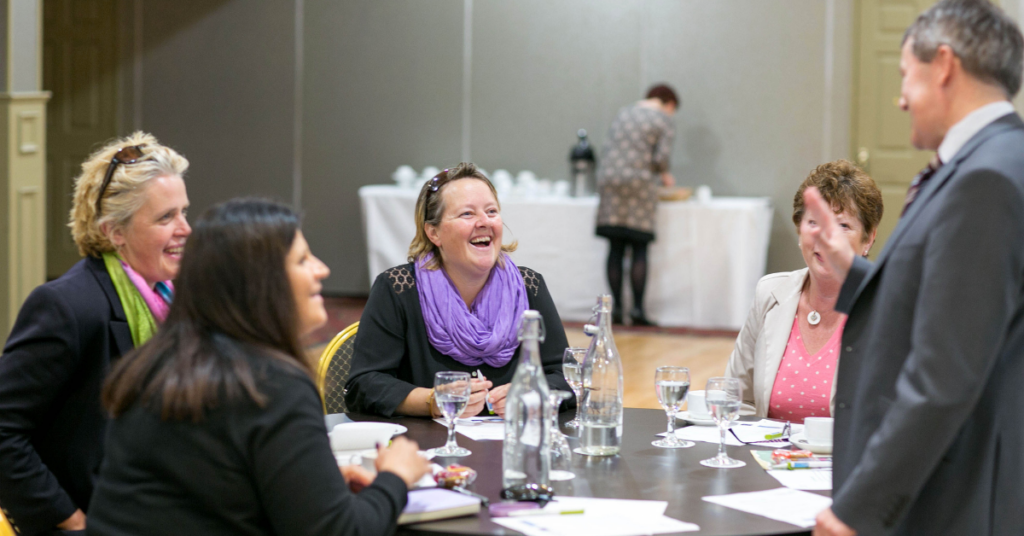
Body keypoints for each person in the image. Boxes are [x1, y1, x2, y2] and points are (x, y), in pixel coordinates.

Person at [85, 199, 430, 536]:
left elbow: (206, 492)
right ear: (260, 283)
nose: (322, 269)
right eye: (303, 259)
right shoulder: (271, 385)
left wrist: (306, 485)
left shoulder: (155, 365)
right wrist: (395, 478)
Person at [808, 2, 1024, 535]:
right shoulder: (990, 162)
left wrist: (857, 510)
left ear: (944, 65)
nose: (900, 99)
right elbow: (954, 311)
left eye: (906, 75)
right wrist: (852, 273)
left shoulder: (985, 179)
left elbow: (944, 377)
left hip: (951, 498)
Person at [0, 132, 190, 535]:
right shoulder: (67, 306)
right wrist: (70, 522)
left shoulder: (177, 300)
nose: (186, 229)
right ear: (114, 232)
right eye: (166, 218)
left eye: (185, 212)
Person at [345, 163, 571, 418]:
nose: (484, 222)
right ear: (434, 232)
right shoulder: (398, 288)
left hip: (512, 447)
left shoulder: (529, 287)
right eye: (467, 214)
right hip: (429, 449)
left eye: (491, 211)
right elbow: (363, 385)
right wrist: (433, 401)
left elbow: (565, 377)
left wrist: (534, 394)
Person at [726, 160, 881, 423]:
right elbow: (737, 400)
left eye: (843, 226)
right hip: (766, 459)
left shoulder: (884, 304)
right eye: (814, 223)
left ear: (868, 238)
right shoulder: (771, 293)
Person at [595, 83, 678, 326]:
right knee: (639, 245)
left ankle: (618, 310)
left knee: (616, 245)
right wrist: (666, 177)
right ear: (669, 103)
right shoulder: (663, 119)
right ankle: (639, 311)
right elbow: (660, 158)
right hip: (640, 184)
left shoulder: (624, 112)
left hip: (610, 181)